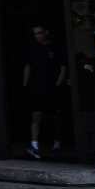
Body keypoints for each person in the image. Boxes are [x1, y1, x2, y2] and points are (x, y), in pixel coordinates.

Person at [22, 24, 67, 159]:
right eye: (35, 33)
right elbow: (28, 66)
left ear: (46, 32)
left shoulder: (56, 47)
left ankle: (57, 146)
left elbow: (63, 68)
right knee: (36, 116)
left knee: (55, 118)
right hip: (36, 87)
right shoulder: (31, 48)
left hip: (52, 88)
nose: (37, 36)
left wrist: (57, 84)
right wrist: (25, 85)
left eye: (39, 33)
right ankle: (35, 146)